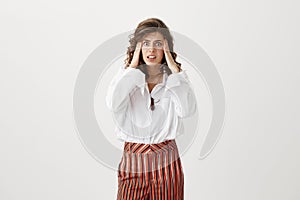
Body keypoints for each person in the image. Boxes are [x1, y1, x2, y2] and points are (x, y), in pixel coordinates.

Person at [106, 17, 197, 200]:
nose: (151, 50)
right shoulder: (126, 77)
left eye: (158, 44)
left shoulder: (174, 80)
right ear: (138, 46)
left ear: (166, 48)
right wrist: (132, 66)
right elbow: (113, 103)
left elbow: (187, 110)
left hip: (167, 161)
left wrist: (174, 69)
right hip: (133, 160)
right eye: (145, 43)